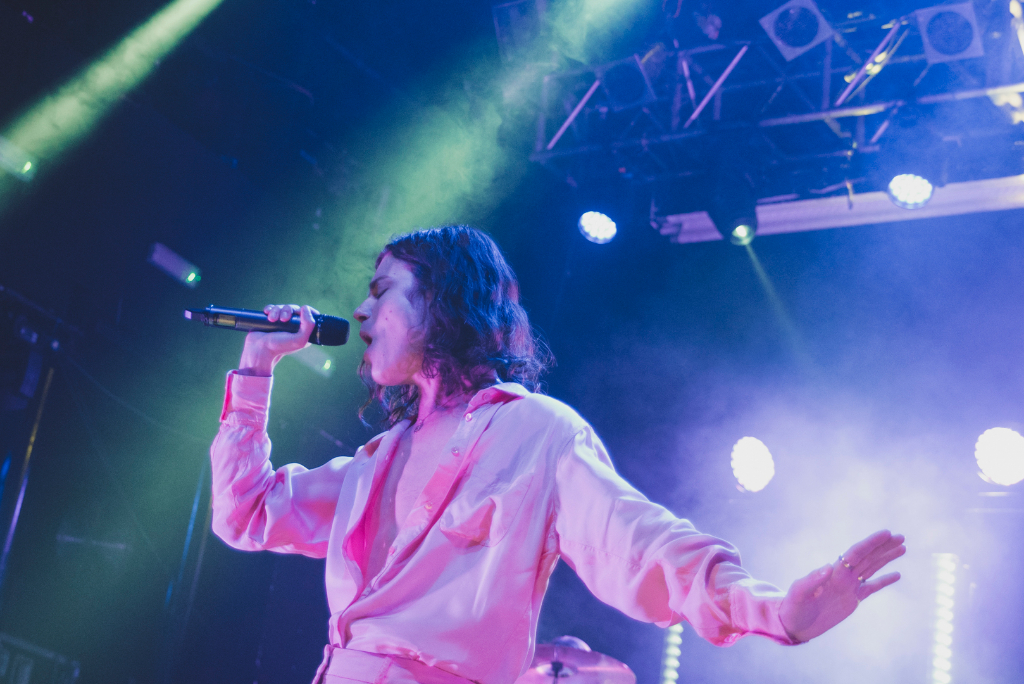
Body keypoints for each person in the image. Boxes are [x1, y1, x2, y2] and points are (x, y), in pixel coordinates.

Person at [209, 225, 905, 684]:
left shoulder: (535, 434)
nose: (360, 313)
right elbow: (245, 512)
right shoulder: (375, 460)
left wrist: (775, 610)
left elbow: (645, 545)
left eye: (382, 291)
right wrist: (256, 366)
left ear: (442, 303)